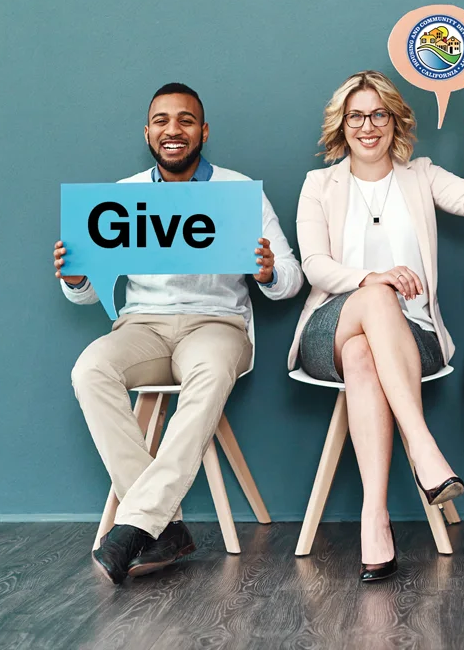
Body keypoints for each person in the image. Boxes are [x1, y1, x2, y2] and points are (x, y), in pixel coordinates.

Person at [54, 83, 303, 585]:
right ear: (147, 132)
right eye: (162, 121)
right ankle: (162, 525)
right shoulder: (123, 196)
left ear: (203, 131)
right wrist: (77, 278)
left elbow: (291, 282)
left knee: (210, 372)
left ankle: (138, 523)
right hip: (141, 325)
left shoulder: (239, 192)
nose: (174, 130)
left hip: (217, 324)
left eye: (186, 120)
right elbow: (87, 292)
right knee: (90, 368)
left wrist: (267, 272)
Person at [291, 69, 464, 581]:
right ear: (342, 125)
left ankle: (374, 519)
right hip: (331, 331)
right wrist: (374, 277)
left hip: (415, 338)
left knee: (368, 356)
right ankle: (423, 448)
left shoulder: (421, 175)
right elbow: (315, 266)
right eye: (356, 116)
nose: (368, 126)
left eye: (378, 114)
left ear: (395, 120)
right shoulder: (320, 184)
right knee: (375, 297)